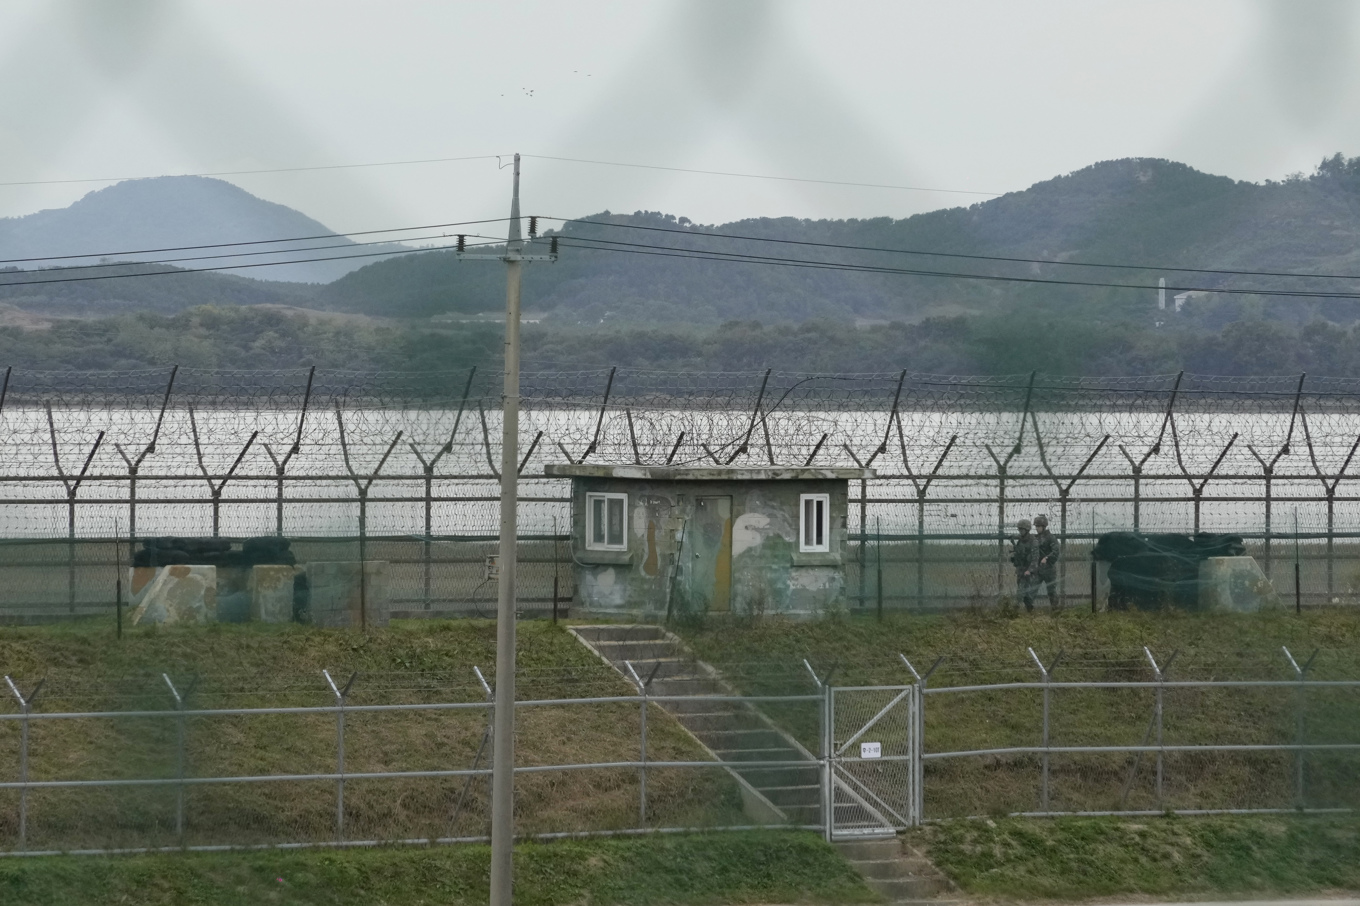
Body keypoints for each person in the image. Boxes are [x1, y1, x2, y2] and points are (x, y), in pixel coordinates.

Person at [1009, 518, 1041, 612]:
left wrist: (1029, 570)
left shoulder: (1033, 541)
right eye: (1019, 529)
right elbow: (1019, 553)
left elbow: (1035, 558)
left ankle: (1015, 611)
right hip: (1021, 569)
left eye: (1022, 529)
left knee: (1021, 592)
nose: (1020, 531)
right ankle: (1030, 611)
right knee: (1026, 594)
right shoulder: (1020, 540)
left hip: (1028, 571)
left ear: (1027, 530)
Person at [1033, 514, 1060, 610]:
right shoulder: (1035, 538)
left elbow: (1056, 551)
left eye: (1038, 526)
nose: (1037, 528)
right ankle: (1029, 611)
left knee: (1051, 591)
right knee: (1032, 589)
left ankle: (1055, 611)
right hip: (1038, 569)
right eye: (1036, 526)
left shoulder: (1050, 537)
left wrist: (1047, 558)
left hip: (1049, 569)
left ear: (1044, 527)